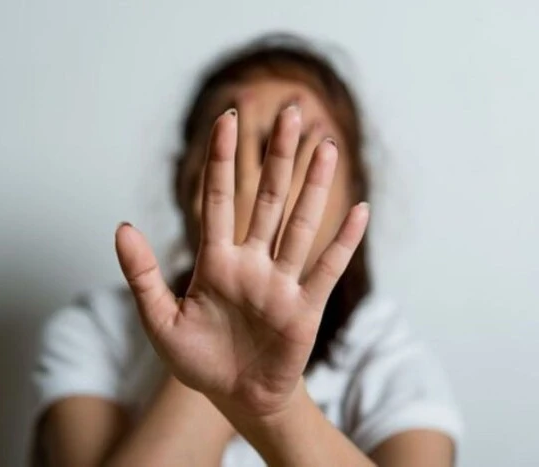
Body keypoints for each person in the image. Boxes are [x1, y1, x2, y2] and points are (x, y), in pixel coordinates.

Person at [32, 33, 463, 466]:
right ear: (186, 180)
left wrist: (274, 406)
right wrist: (213, 361)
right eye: (244, 149)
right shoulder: (96, 332)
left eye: (304, 151)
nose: (267, 179)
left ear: (355, 191)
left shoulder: (386, 357)